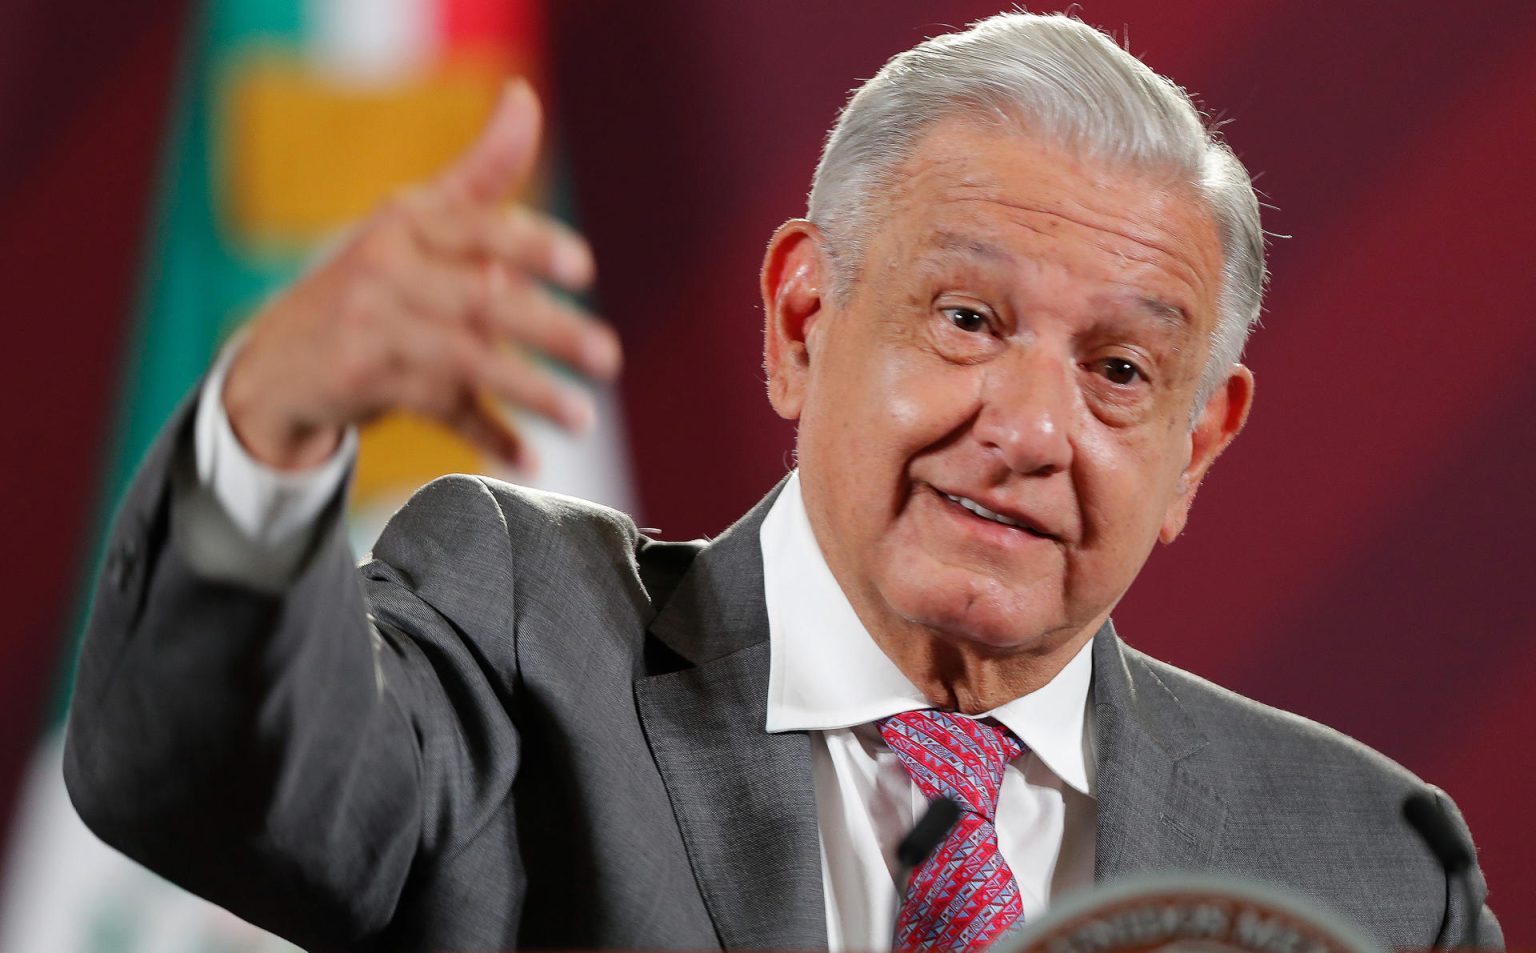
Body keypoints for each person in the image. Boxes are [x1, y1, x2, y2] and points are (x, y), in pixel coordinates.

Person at [64, 11, 1500, 953]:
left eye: (1122, 371)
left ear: (1197, 442)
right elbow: (198, 772)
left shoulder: (1367, 869)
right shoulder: (526, 650)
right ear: (804, 321)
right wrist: (274, 421)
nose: (1033, 427)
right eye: (969, 319)